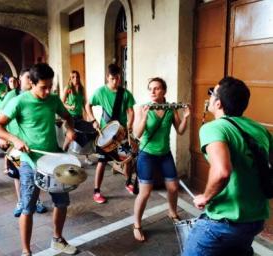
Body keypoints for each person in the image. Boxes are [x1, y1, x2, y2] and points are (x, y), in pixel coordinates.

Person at [0, 63, 77, 255]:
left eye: (50, 87)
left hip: (54, 159)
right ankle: (26, 251)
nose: (47, 91)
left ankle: (57, 239)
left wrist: (69, 129)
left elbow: (67, 116)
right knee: (28, 207)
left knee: (62, 202)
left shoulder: (53, 100)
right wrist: (15, 139)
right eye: (42, 87)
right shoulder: (19, 102)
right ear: (31, 83)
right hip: (30, 162)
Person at [183, 77, 272, 256]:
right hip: (255, 219)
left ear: (218, 103)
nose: (209, 97)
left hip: (223, 223)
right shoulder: (259, 129)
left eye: (212, 93)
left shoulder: (214, 128)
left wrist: (205, 197)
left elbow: (222, 172)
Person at [132, 77, 190, 241]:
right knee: (145, 192)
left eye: (157, 88)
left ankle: (172, 212)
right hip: (147, 154)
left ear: (164, 91)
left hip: (165, 154)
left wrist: (185, 117)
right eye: (150, 88)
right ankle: (137, 224)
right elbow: (137, 134)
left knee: (173, 187)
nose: (152, 91)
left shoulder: (171, 109)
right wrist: (143, 117)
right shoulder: (143, 108)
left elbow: (180, 130)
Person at [0, 69, 47, 217]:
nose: (29, 80)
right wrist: (4, 138)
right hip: (15, 142)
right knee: (19, 174)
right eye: (27, 77)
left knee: (34, 173)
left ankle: (36, 200)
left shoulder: (36, 97)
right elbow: (0, 119)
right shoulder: (11, 96)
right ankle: (20, 201)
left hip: (31, 145)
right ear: (20, 79)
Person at [85, 63, 136, 204]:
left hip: (121, 132)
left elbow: (131, 112)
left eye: (118, 78)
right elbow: (87, 104)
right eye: (113, 78)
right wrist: (92, 120)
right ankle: (96, 191)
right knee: (102, 161)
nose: (116, 81)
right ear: (107, 77)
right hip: (105, 134)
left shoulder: (125, 93)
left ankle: (128, 182)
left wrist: (129, 125)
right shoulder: (100, 92)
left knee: (127, 158)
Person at [62, 70, 93, 165]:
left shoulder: (81, 89)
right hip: (70, 117)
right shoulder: (68, 88)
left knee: (86, 135)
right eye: (73, 77)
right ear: (70, 79)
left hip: (79, 117)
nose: (76, 79)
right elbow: (62, 103)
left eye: (77, 77)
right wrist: (70, 107)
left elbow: (84, 104)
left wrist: (88, 117)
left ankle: (87, 158)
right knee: (70, 137)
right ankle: (62, 156)